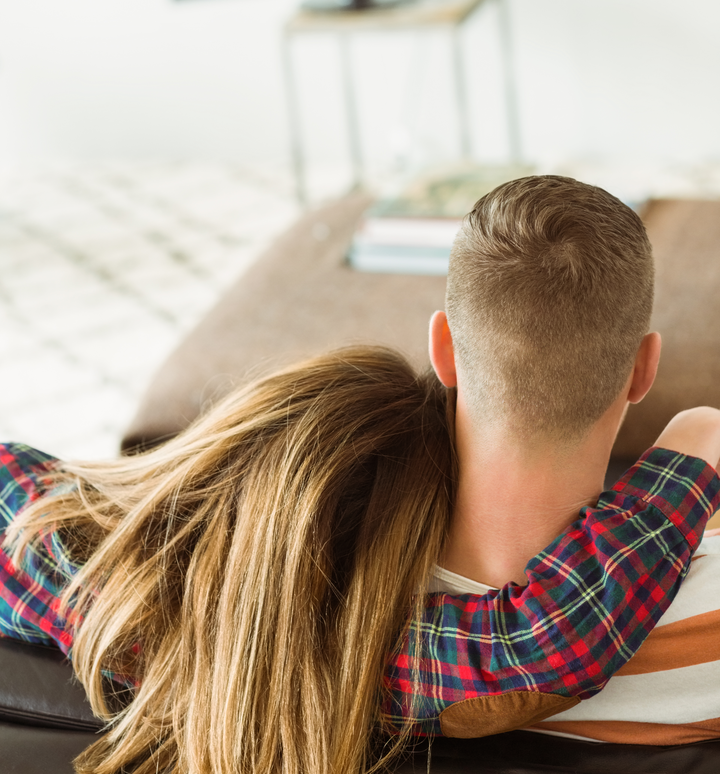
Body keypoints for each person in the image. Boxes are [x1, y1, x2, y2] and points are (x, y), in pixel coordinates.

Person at [0, 177, 718, 774]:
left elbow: (531, 644)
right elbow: (535, 645)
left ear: (443, 347)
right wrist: (688, 452)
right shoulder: (680, 618)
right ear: (642, 370)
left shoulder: (151, 585)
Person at [423, 174, 720, 744]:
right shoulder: (699, 625)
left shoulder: (333, 590)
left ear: (443, 349)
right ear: (643, 370)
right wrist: (696, 433)